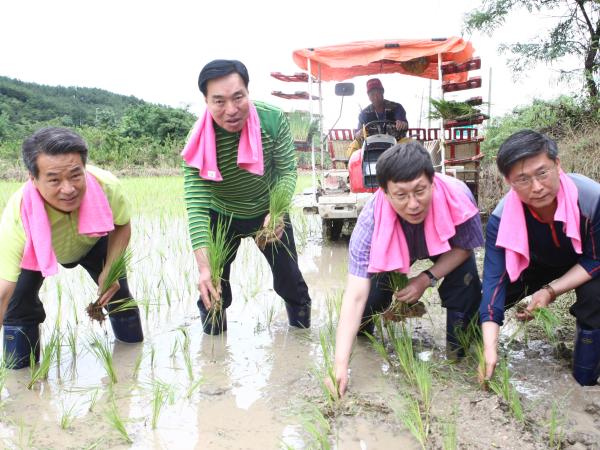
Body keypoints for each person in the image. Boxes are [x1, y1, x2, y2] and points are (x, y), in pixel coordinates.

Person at [329, 141, 484, 396]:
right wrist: (340, 366)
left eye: (420, 191)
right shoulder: (371, 224)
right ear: (385, 193)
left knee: (465, 282)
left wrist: (426, 279)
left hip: (445, 244)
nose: (413, 204)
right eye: (401, 195)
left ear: (433, 182)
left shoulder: (458, 197)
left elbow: (464, 247)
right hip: (393, 247)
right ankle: (364, 338)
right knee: (370, 298)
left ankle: (459, 356)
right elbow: (355, 295)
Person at [182, 59, 311, 335]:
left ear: (248, 92)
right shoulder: (197, 142)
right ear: (205, 101)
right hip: (222, 214)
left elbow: (287, 172)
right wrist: (204, 267)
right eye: (219, 101)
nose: (231, 110)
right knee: (214, 285)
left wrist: (277, 213)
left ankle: (302, 340)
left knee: (290, 280)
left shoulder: (273, 120)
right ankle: (214, 354)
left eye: (238, 97)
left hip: (268, 210)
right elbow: (196, 206)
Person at [0, 127, 143, 369]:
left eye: (76, 176)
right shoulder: (18, 216)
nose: (68, 189)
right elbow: (4, 291)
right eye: (54, 179)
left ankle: (132, 360)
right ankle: (21, 374)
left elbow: (122, 224)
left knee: (118, 295)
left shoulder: (106, 186)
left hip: (93, 239)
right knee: (17, 308)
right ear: (33, 179)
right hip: (38, 249)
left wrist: (111, 268)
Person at [480, 130, 600, 386]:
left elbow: (595, 259)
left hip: (584, 261)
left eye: (542, 172)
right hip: (533, 263)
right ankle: (474, 350)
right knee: (478, 305)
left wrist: (550, 291)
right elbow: (494, 283)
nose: (536, 187)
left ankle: (585, 376)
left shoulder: (592, 198)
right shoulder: (501, 220)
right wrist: (490, 348)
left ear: (558, 165)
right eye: (522, 179)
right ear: (509, 182)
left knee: (595, 296)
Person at [346, 78, 409, 158]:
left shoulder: (396, 107)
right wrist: (359, 133)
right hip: (371, 147)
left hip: (395, 145)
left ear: (382, 92)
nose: (375, 96)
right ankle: (358, 169)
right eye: (372, 94)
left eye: (378, 93)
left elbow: (403, 123)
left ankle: (408, 170)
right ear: (368, 96)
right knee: (353, 146)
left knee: (412, 145)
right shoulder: (364, 113)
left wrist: (402, 124)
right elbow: (358, 132)